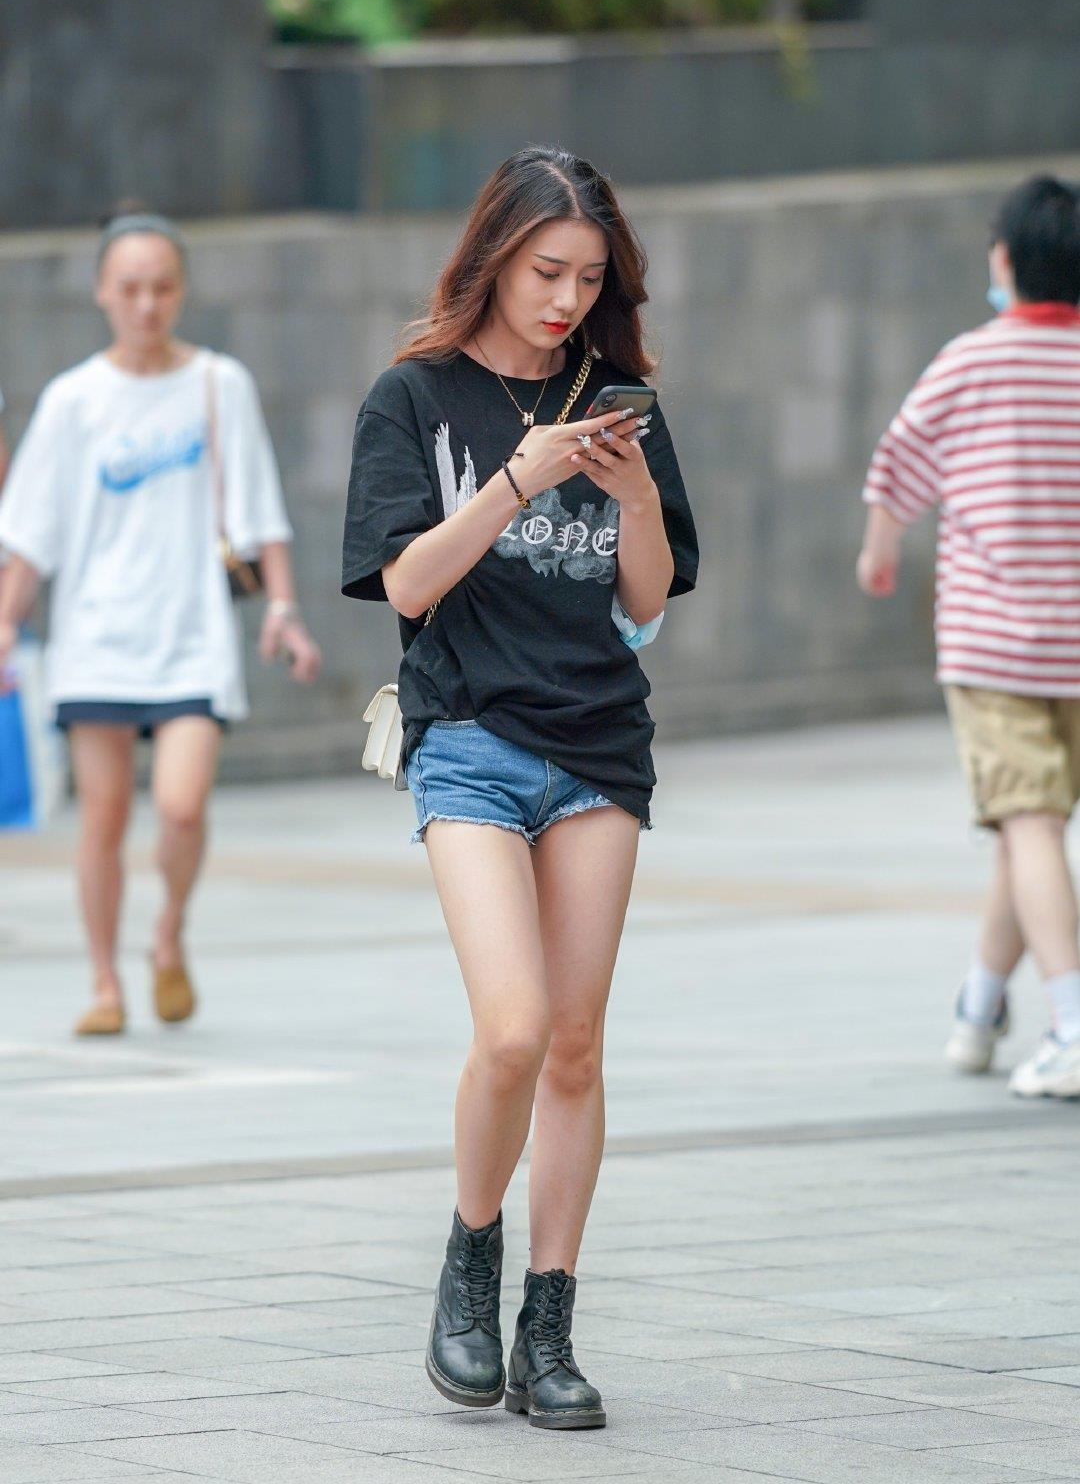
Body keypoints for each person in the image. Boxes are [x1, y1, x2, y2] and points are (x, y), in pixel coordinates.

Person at [342, 147, 697, 1429]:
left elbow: (646, 601)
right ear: (495, 255)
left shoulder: (617, 397)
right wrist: (517, 479)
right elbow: (404, 583)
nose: (565, 300)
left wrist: (635, 492)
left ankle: (549, 1325)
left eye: (589, 279)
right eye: (547, 271)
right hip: (470, 737)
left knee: (577, 1043)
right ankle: (469, 1254)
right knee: (512, 1027)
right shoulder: (415, 397)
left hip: (598, 745)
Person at [0, 209, 321, 1036]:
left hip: (191, 637)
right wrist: (5, 624)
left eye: (162, 287)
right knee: (103, 819)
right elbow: (29, 536)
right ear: (103, 292)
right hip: (96, 639)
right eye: (131, 288)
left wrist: (283, 609)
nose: (146, 304)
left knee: (180, 807)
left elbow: (261, 510)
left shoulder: (219, 384)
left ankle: (169, 931)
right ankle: (105, 982)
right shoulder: (73, 400)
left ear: (181, 291)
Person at [858, 174, 1080, 1100]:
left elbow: (899, 460)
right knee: (1032, 827)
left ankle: (1071, 1025)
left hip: (994, 649)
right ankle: (981, 1009)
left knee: (1027, 823)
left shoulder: (972, 360)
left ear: (1006, 260)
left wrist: (879, 550)